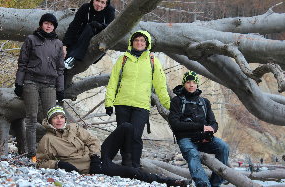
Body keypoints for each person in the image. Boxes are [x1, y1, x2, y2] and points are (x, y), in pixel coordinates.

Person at [37, 105, 190, 186]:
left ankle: (127, 160)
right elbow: (41, 162)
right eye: (55, 118)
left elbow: (93, 141)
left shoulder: (74, 128)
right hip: (87, 168)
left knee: (126, 127)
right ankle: (169, 182)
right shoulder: (48, 139)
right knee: (131, 172)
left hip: (96, 159)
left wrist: (96, 156)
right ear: (50, 121)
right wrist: (60, 164)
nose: (59, 120)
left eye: (61, 117)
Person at [105, 30, 171, 168]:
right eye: (137, 40)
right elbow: (113, 82)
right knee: (123, 134)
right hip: (122, 103)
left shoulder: (153, 61)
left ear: (147, 44)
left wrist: (168, 104)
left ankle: (135, 165)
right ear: (132, 42)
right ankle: (126, 163)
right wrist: (109, 102)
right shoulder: (122, 59)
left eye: (142, 41)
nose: (139, 43)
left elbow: (160, 86)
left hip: (141, 105)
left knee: (135, 135)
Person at [14, 13, 65, 163]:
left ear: (54, 27)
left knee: (51, 119)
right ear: (41, 24)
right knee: (31, 118)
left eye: (51, 24)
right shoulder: (31, 39)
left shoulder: (58, 44)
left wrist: (60, 89)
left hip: (49, 84)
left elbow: (60, 69)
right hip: (31, 82)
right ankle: (32, 154)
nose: (48, 26)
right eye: (46, 23)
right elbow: (22, 63)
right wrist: (19, 83)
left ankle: (48, 152)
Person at [168, 71, 229, 187]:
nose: (191, 85)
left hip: (204, 139)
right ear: (184, 84)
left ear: (197, 84)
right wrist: (201, 126)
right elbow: (175, 124)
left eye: (194, 82)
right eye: (188, 82)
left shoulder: (204, 102)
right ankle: (203, 184)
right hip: (186, 139)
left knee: (223, 147)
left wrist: (210, 130)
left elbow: (214, 123)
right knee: (192, 154)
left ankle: (216, 184)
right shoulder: (177, 101)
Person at [63, 0, 115, 69]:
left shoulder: (110, 11)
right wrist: (65, 45)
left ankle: (73, 58)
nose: (99, 5)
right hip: (81, 39)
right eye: (97, 0)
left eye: (103, 2)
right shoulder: (85, 8)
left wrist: (99, 25)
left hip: (98, 43)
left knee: (91, 26)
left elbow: (111, 28)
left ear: (106, 4)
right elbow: (74, 26)